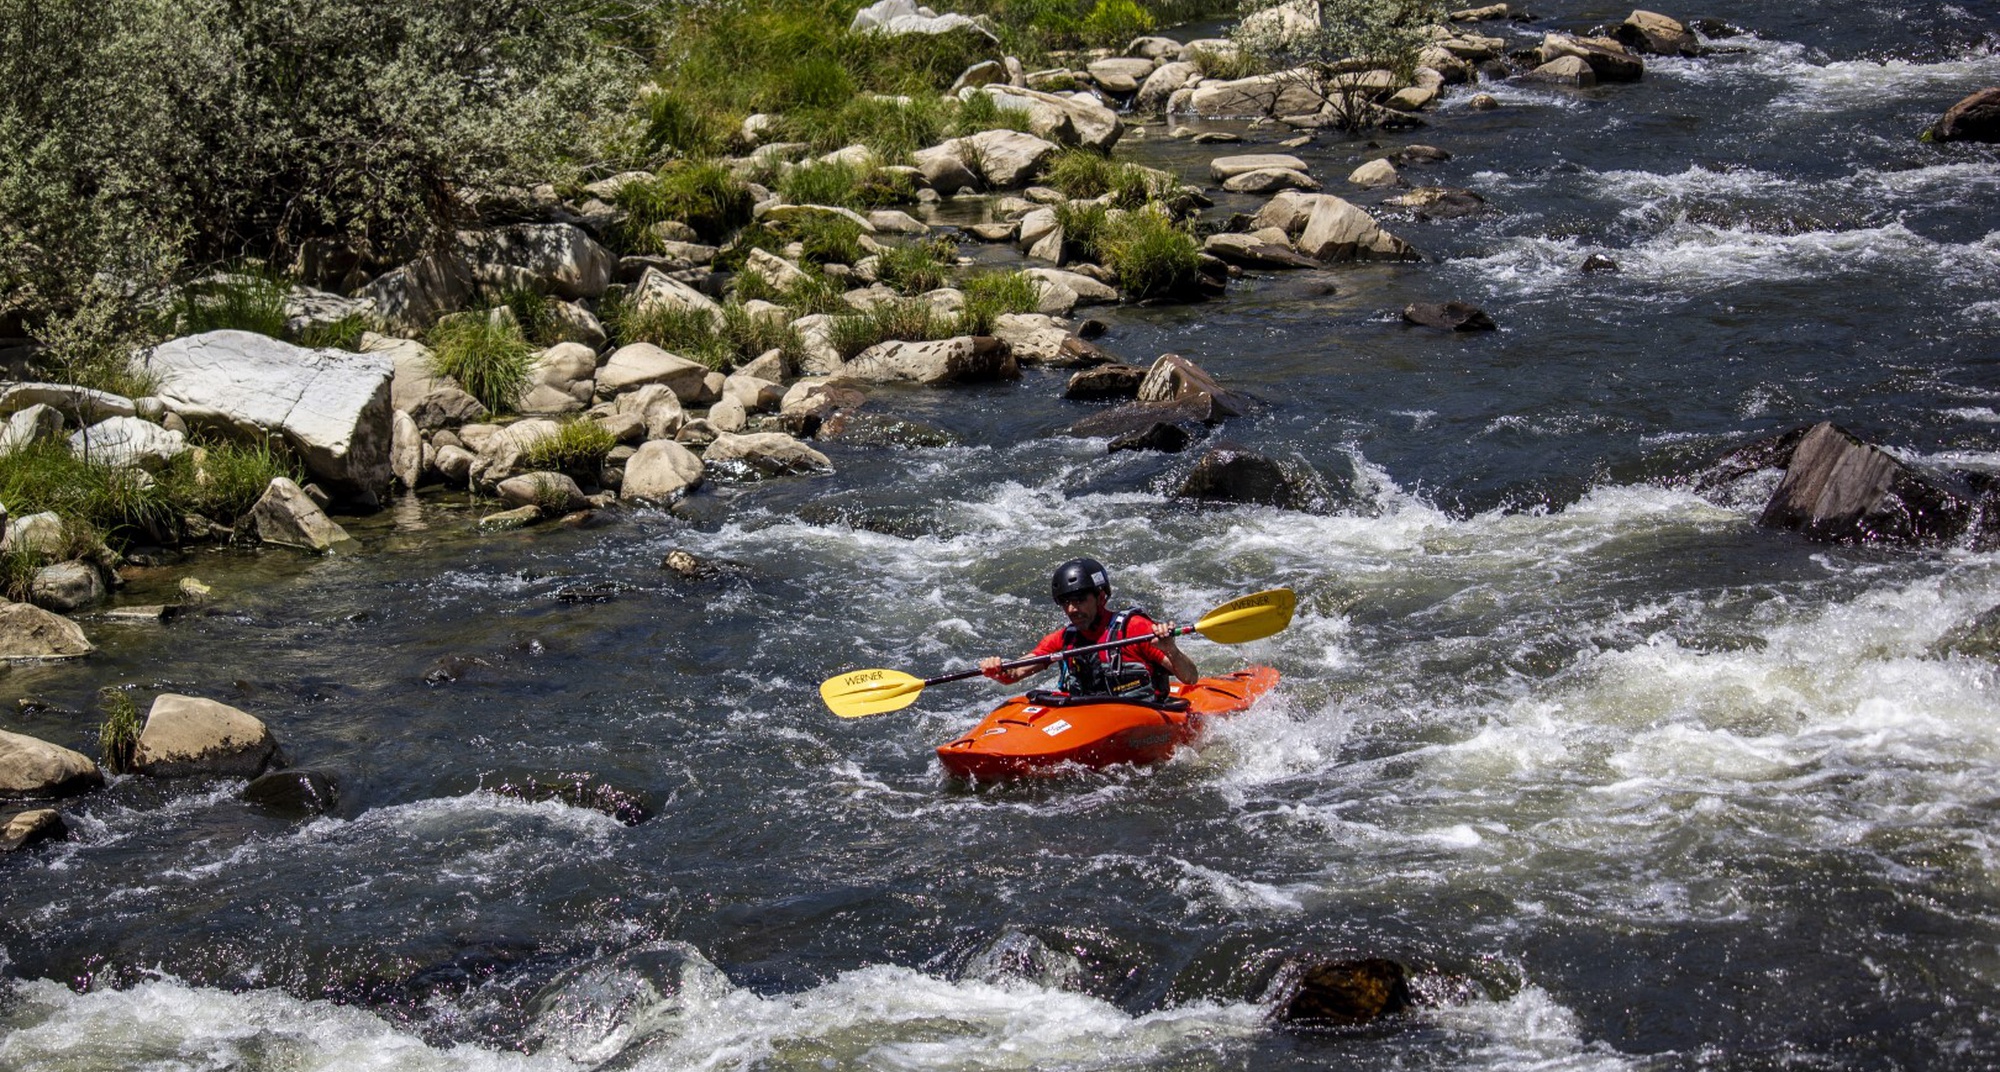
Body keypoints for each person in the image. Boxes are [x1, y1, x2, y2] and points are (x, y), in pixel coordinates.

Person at [978, 558, 1198, 702]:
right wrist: (998, 669)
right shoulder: (1065, 638)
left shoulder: (1134, 629)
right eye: (1065, 602)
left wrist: (1171, 650)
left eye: (1080, 600)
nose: (1072, 609)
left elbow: (1190, 678)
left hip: (1141, 716)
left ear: (1101, 597)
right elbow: (1015, 673)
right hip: (1089, 719)